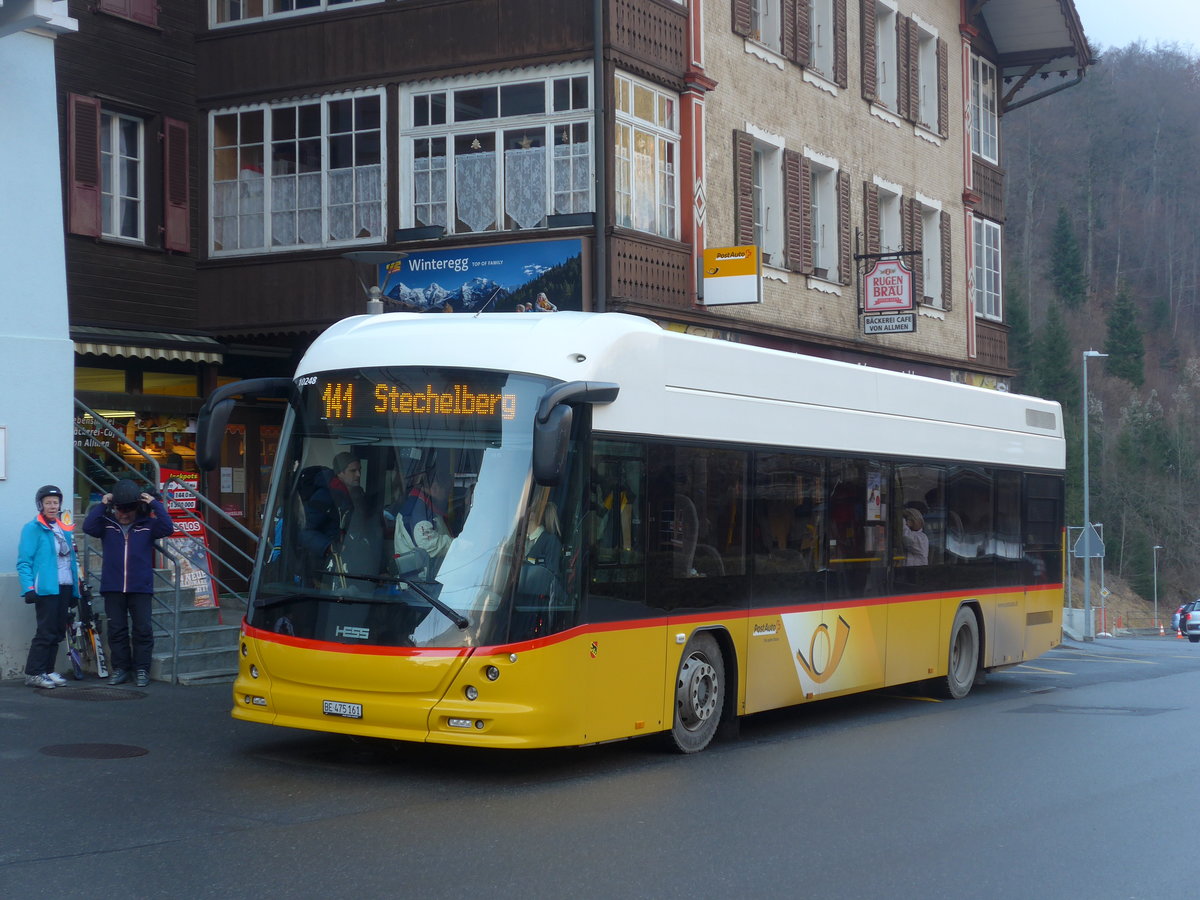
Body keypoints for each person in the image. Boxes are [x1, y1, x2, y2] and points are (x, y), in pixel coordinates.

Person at [83, 478, 174, 686]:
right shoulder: (107, 525)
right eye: (119, 510)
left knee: (142, 629)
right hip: (113, 586)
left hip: (140, 587)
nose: (123, 515)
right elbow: (88, 526)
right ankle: (121, 669)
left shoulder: (148, 525)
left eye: (128, 511)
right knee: (117, 630)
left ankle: (142, 669)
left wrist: (153, 503)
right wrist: (103, 503)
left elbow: (168, 527)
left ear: (137, 509)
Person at [17, 485, 81, 689]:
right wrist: (28, 588)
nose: (53, 506)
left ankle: (47, 669)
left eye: (55, 503)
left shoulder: (64, 528)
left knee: (57, 632)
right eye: (48, 503)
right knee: (45, 632)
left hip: (65, 584)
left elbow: (72, 559)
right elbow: (24, 561)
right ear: (40, 505)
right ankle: (34, 673)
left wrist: (75, 589)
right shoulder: (32, 528)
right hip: (46, 587)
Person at [396, 463, 454, 579]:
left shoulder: (424, 505)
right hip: (419, 585)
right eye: (447, 489)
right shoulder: (419, 511)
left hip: (422, 581)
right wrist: (457, 544)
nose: (449, 494)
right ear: (435, 488)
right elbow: (427, 545)